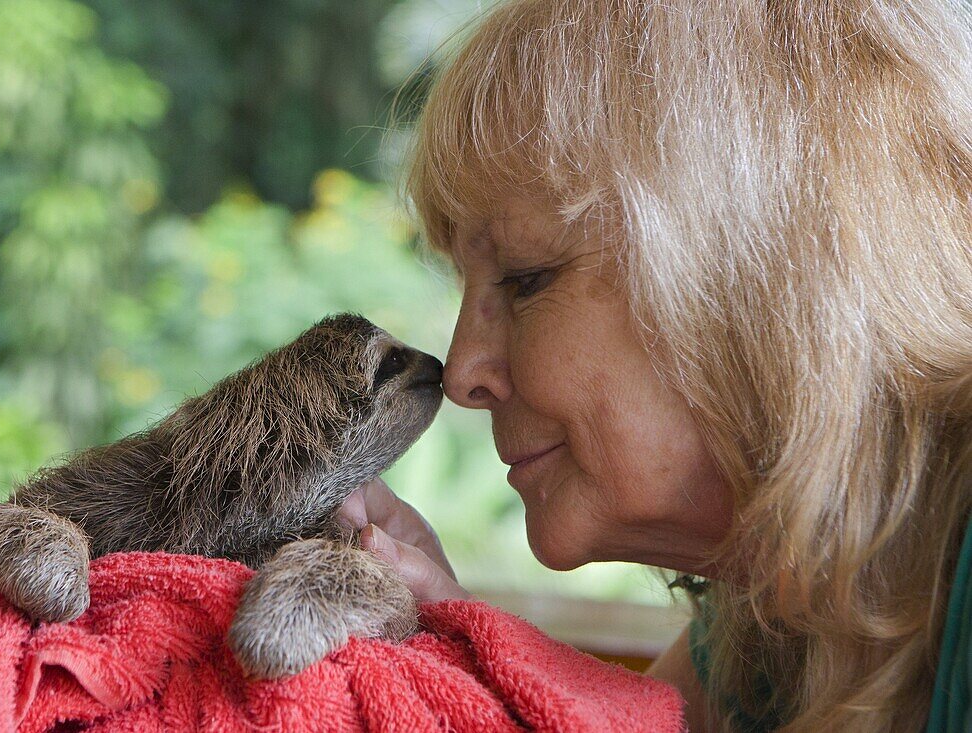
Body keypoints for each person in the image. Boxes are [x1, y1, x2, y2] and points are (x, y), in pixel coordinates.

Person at [338, 0, 972, 730]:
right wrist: (460, 655)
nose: (461, 374)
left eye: (526, 277)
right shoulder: (775, 616)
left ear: (765, 264)